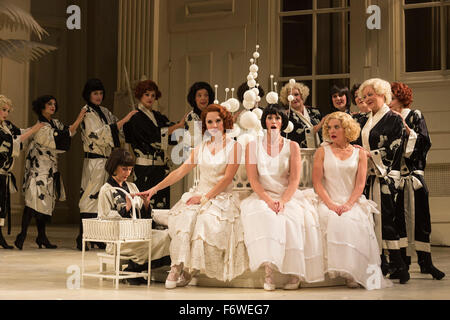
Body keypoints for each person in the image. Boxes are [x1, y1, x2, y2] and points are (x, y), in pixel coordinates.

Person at [137, 104, 248, 289]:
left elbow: (227, 178)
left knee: (205, 221)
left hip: (220, 198)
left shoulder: (234, 147)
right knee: (185, 218)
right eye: (209, 122)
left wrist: (204, 199)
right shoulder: (201, 147)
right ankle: (176, 267)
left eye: (217, 121)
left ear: (225, 122)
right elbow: (180, 171)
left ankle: (190, 270)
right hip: (199, 194)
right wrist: (154, 189)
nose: (213, 125)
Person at [240, 104, 324, 291]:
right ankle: (269, 271)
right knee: (265, 215)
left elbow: (294, 179)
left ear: (283, 122)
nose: (273, 121)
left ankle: (295, 274)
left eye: (277, 118)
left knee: (293, 219)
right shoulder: (252, 146)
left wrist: (283, 201)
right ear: (265, 121)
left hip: (287, 195)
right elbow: (254, 180)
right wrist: (269, 201)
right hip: (262, 196)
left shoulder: (292, 146)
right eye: (270, 118)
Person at [312, 111, 392, 289]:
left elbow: (360, 185)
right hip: (328, 200)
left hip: (351, 200)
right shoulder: (322, 152)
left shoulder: (359, 153)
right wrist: (331, 204)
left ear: (346, 129)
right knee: (331, 219)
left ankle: (353, 272)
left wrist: (348, 204)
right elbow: (317, 183)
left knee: (354, 221)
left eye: (336, 127)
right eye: (329, 127)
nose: (332, 131)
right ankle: (340, 270)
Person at [389, 82, 445, 280]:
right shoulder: (388, 119)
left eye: (393, 98)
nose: (389, 102)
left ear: (401, 98)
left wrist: (405, 129)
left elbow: (424, 142)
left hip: (414, 177)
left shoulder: (415, 115)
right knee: (398, 221)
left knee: (421, 219)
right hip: (397, 178)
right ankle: (402, 263)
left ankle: (426, 262)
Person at [356, 78, 409, 284]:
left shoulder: (394, 119)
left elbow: (394, 148)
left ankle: (399, 265)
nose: (367, 99)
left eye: (371, 94)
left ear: (382, 95)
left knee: (388, 221)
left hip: (386, 176)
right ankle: (381, 264)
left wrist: (370, 156)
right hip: (369, 177)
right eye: (365, 95)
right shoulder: (365, 119)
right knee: (373, 221)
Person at [15, 95, 85, 250]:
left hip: (50, 168)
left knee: (44, 204)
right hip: (37, 168)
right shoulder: (41, 126)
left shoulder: (56, 123)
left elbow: (67, 133)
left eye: (54, 103)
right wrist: (76, 121)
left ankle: (41, 236)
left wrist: (79, 119)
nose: (53, 106)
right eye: (49, 104)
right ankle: (23, 234)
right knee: (32, 201)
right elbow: (59, 140)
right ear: (42, 107)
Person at [76, 78, 138, 251]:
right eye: (95, 93)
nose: (98, 96)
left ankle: (98, 236)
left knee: (104, 197)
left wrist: (130, 121)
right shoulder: (87, 112)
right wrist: (125, 119)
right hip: (94, 160)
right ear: (88, 94)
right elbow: (100, 134)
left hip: (106, 161)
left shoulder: (104, 111)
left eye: (101, 93)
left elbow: (118, 128)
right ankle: (82, 236)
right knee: (90, 196)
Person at [97, 148, 171, 285]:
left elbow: (144, 218)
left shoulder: (132, 186)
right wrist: (126, 209)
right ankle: (134, 269)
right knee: (159, 239)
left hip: (138, 233)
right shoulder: (106, 190)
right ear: (114, 167)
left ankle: (135, 268)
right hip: (119, 239)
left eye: (130, 169)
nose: (128, 173)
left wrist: (146, 204)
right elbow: (105, 219)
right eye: (124, 169)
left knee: (169, 235)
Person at [123, 80, 186, 210]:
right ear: (140, 95)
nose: (150, 98)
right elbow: (152, 136)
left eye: (153, 95)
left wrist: (182, 128)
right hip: (145, 167)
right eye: (147, 94)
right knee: (146, 201)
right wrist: (177, 126)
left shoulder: (158, 116)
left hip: (160, 167)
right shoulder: (136, 117)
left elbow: (171, 137)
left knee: (161, 201)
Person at [0, 95, 44, 249]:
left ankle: (0, 235)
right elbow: (13, 143)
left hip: (4, 173)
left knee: (2, 206)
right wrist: (35, 129)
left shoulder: (7, 126)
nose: (5, 113)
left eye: (7, 111)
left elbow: (20, 133)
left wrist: (35, 127)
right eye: (3, 110)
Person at [279, 82, 323, 148]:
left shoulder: (315, 111)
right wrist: (317, 127)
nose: (294, 98)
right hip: (300, 153)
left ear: (302, 95)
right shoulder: (286, 116)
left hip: (320, 151)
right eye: (290, 96)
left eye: (296, 94)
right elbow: (292, 137)